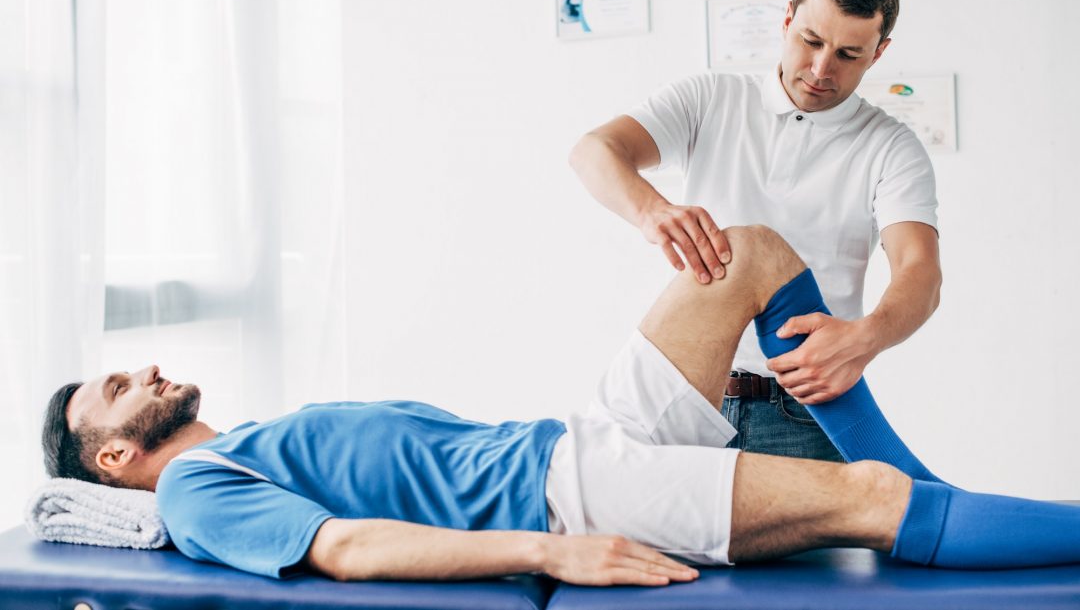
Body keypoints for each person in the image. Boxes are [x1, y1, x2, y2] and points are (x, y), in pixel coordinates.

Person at [40, 225, 1080, 584]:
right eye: (118, 393)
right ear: (115, 462)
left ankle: (942, 499)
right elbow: (346, 548)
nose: (145, 373)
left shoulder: (253, 436)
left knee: (748, 252)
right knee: (868, 497)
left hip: (577, 439)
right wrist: (550, 551)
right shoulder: (196, 490)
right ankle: (935, 507)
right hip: (573, 500)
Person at [569, 0, 941, 462]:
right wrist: (650, 210)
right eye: (810, 41)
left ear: (879, 53)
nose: (820, 69)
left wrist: (866, 338)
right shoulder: (711, 98)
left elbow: (920, 269)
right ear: (787, 20)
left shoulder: (891, 146)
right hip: (687, 395)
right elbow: (594, 150)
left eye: (849, 55)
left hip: (803, 413)